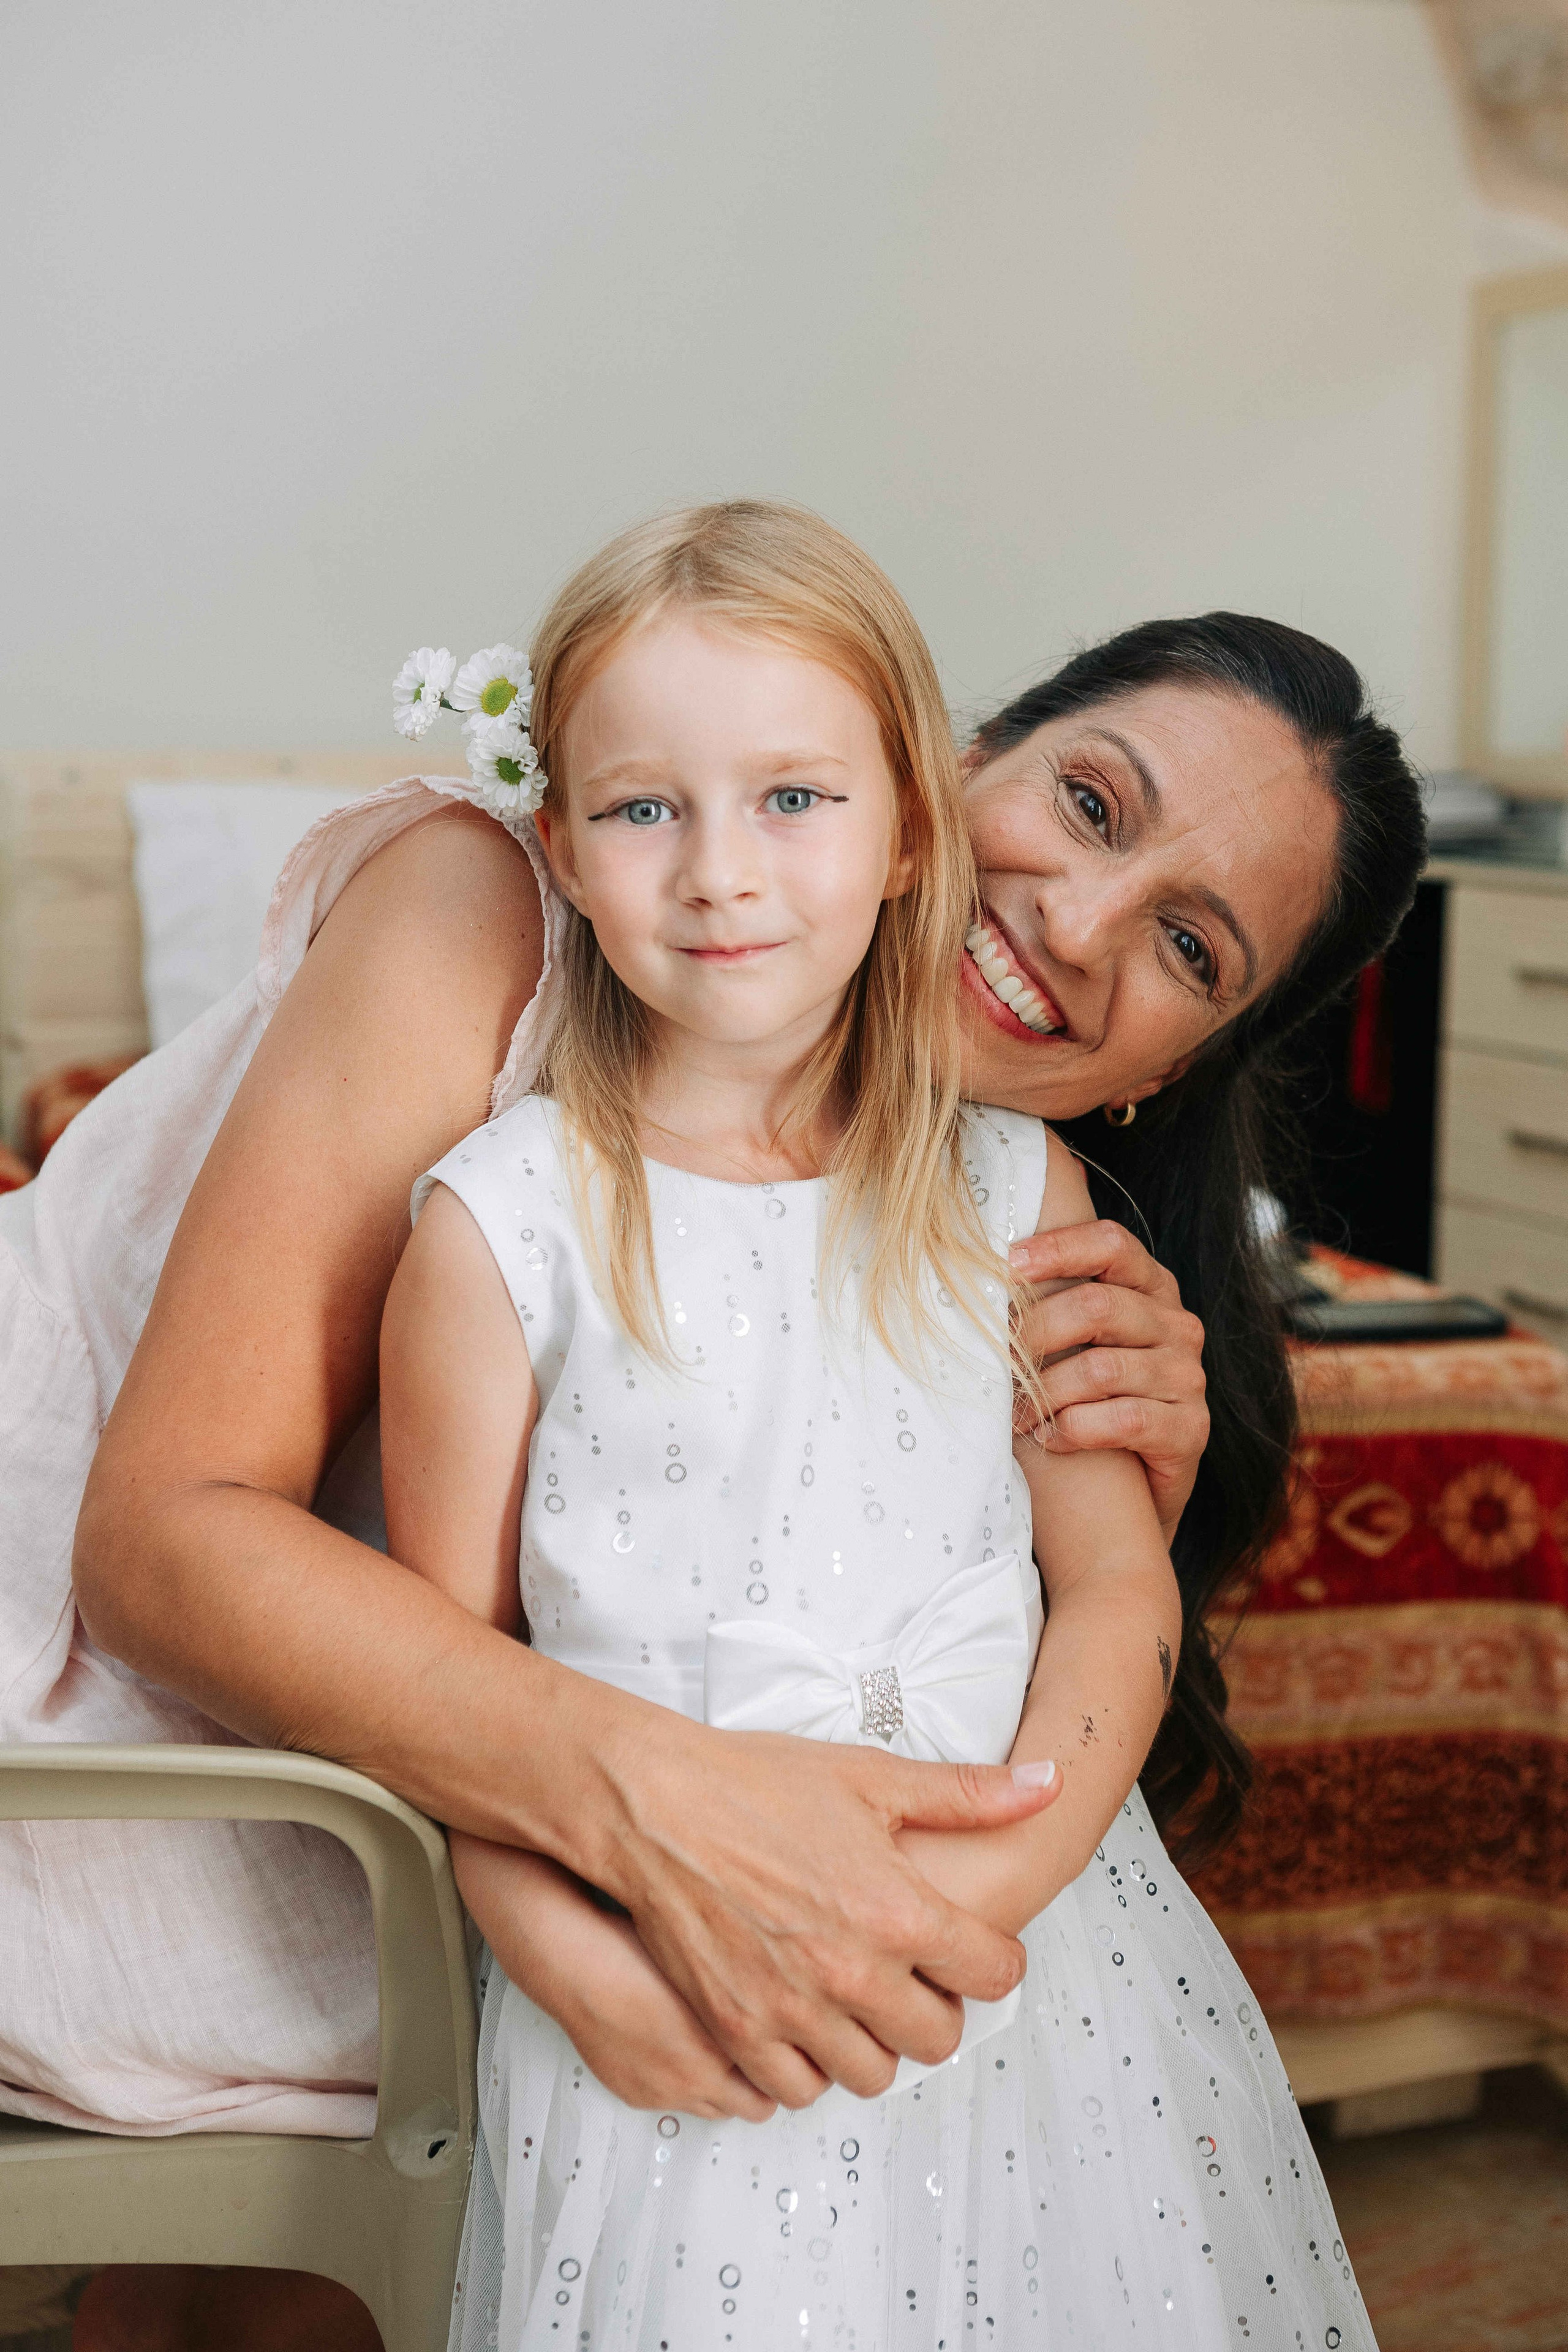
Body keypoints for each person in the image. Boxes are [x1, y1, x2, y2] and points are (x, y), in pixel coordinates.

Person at [9, 516, 1422, 2349]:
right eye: (1088, 802)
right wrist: (657, 1807)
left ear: (1167, 1073)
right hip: (142, 1680)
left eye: (1186, 944)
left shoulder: (1046, 1232)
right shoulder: (492, 928)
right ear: (946, 765)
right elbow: (162, 1545)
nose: (1073, 923)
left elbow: (1084, 1611)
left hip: (541, 1774)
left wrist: (1112, 1493)